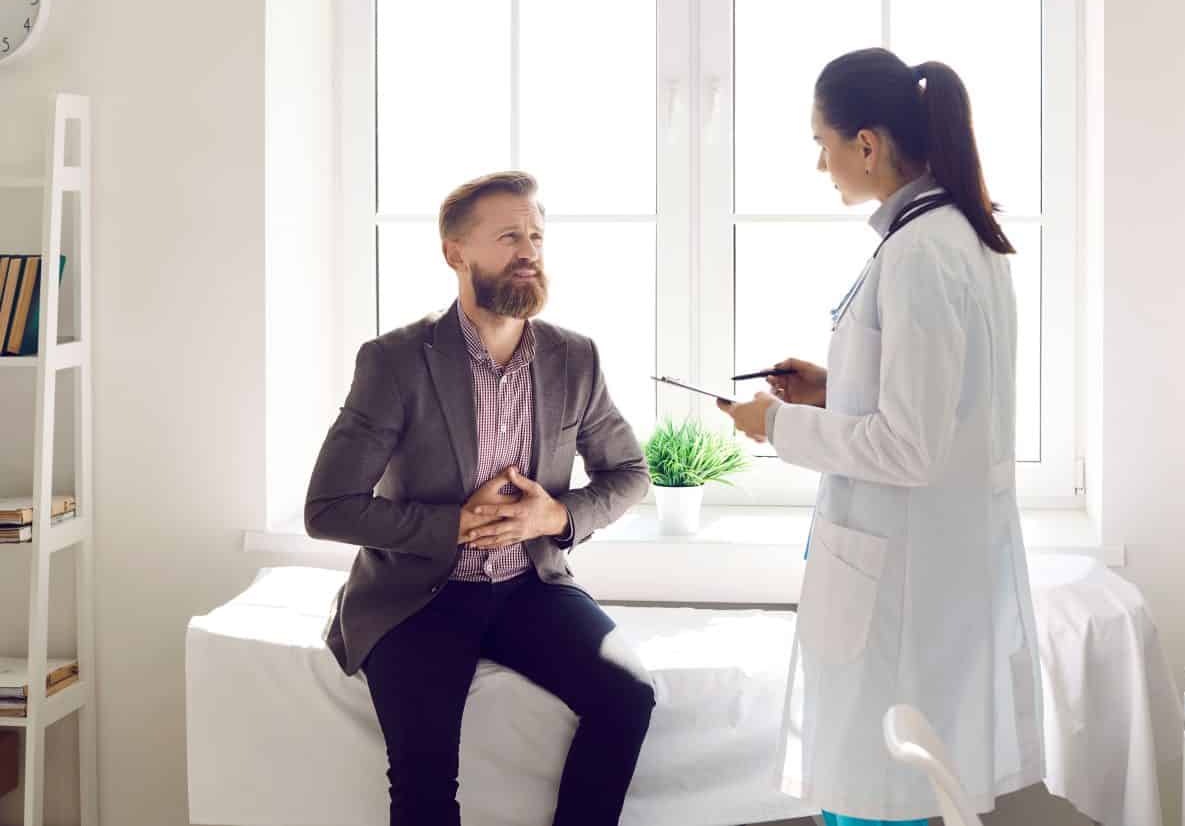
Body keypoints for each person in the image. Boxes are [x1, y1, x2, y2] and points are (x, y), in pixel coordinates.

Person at [721, 49, 1045, 826]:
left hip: (900, 572)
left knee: (876, 793)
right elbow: (951, 406)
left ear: (866, 144)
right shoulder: (956, 238)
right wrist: (834, 389)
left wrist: (780, 426)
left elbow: (909, 447)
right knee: (891, 784)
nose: (819, 162)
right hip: (921, 558)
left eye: (821, 142)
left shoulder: (920, 254)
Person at [305, 171, 655, 826]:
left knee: (628, 696)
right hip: (419, 596)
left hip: (532, 588)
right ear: (455, 254)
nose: (529, 251)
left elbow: (630, 471)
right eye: (508, 238)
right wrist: (455, 525)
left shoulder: (575, 358)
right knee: (425, 775)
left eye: (536, 237)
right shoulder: (395, 361)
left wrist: (558, 515)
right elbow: (328, 508)